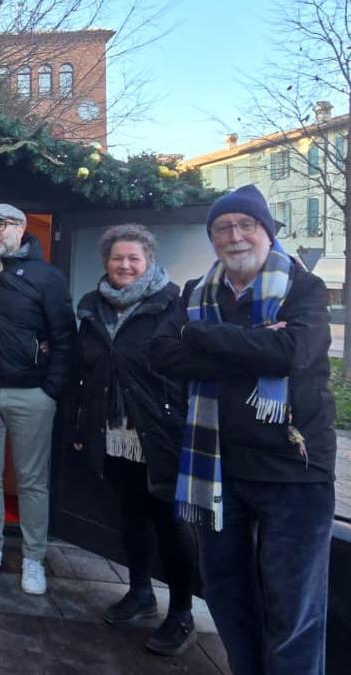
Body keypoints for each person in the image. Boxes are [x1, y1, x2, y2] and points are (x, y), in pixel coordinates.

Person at [150, 185, 336, 674]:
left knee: (292, 607)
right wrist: (251, 345)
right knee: (227, 593)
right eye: (223, 228)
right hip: (218, 470)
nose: (235, 236)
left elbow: (292, 354)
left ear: (267, 232)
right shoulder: (195, 293)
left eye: (246, 225)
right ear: (212, 238)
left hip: (293, 471)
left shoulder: (304, 288)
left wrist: (200, 337)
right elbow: (162, 353)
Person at [72, 224, 197, 656]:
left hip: (158, 432)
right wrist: (81, 423)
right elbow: (85, 368)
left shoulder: (172, 304)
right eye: (117, 258)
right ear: (106, 261)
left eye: (133, 259)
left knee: (170, 522)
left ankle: (181, 611)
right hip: (113, 430)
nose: (124, 265)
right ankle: (140, 591)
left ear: (149, 262)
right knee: (130, 513)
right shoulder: (91, 307)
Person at [0, 203, 75, 596]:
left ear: (22, 229)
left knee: (32, 481)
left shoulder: (47, 276)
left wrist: (51, 391)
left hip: (31, 395)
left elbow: (65, 338)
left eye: (2, 225)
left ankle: (33, 558)